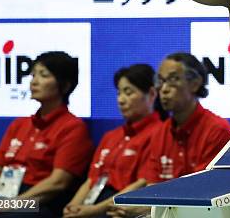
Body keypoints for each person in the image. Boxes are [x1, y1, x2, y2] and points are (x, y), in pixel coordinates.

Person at [106, 53, 230, 217]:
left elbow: (203, 193)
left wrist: (148, 208)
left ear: (195, 83)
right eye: (161, 81)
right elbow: (153, 184)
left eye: (173, 80)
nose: (164, 89)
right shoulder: (160, 132)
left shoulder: (216, 130)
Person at [0, 51, 94, 218]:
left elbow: (57, 183)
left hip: (39, 204)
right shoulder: (19, 124)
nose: (34, 81)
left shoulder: (73, 127)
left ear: (64, 85)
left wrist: (12, 205)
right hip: (3, 197)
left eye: (43, 75)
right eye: (33, 75)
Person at [63, 64, 163, 218]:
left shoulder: (160, 133)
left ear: (151, 94)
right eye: (119, 93)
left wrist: (94, 211)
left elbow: (142, 183)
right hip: (94, 204)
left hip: (123, 207)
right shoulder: (111, 136)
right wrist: (73, 206)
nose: (121, 100)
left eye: (128, 92)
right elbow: (91, 179)